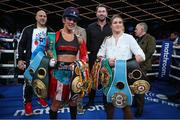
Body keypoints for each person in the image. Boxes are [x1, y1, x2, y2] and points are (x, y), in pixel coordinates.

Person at [97, 14, 145, 119]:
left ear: (122, 25)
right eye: (115, 22)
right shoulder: (107, 39)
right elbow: (99, 55)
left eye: (120, 22)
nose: (118, 24)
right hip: (109, 76)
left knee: (126, 106)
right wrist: (106, 61)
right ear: (111, 26)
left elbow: (141, 56)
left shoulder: (129, 38)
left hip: (125, 77)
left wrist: (127, 63)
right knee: (109, 105)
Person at [48, 7, 88, 119]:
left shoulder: (79, 39)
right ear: (63, 20)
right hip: (58, 75)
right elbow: (47, 51)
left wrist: (80, 63)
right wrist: (49, 60)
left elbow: (85, 56)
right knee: (56, 103)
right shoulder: (54, 36)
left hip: (73, 75)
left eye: (74, 20)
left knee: (73, 102)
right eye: (69, 19)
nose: (71, 22)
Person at [17, 10, 54, 116]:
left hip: (45, 61)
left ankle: (40, 97)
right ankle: (27, 103)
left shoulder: (50, 31)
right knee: (28, 82)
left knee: (44, 81)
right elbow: (21, 45)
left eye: (45, 16)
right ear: (36, 17)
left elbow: (52, 47)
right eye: (40, 16)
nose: (43, 17)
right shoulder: (28, 29)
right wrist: (20, 59)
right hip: (31, 60)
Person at [85, 4, 112, 109]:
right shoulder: (90, 27)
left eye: (103, 11)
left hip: (107, 59)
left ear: (106, 13)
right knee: (92, 80)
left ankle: (106, 102)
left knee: (106, 80)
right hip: (93, 58)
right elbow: (87, 44)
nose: (101, 13)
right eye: (99, 11)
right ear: (96, 14)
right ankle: (91, 101)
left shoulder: (111, 27)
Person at [134, 22, 156, 117]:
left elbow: (150, 52)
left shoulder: (150, 39)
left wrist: (140, 60)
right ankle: (136, 103)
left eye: (136, 29)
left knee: (140, 87)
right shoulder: (136, 39)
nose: (135, 30)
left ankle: (140, 108)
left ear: (142, 30)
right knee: (134, 85)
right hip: (134, 66)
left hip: (142, 67)